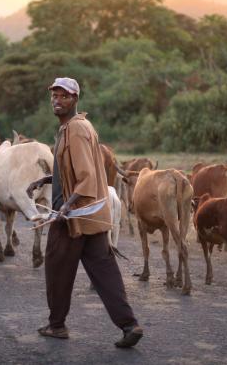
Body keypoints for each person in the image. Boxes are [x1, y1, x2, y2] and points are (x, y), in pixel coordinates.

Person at [27, 77, 143, 348]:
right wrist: (45, 180)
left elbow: (87, 176)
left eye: (64, 96)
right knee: (105, 272)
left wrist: (65, 208)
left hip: (74, 218)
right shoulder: (76, 127)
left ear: (75, 99)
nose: (57, 100)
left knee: (56, 268)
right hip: (92, 216)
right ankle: (130, 325)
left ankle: (56, 326)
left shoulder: (75, 130)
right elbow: (72, 170)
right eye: (54, 96)